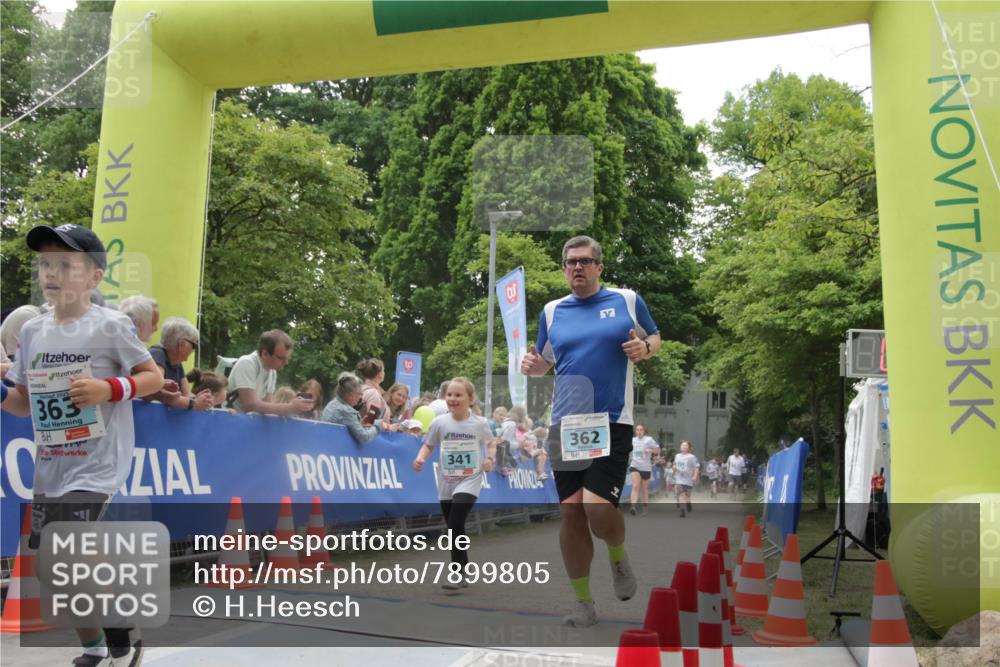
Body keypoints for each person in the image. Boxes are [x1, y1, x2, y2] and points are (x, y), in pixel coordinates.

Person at [0, 223, 162, 666]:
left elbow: (153, 378)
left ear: (94, 276)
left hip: (97, 461)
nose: (51, 273)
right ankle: (95, 646)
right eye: (44, 264)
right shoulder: (32, 332)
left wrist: (108, 389)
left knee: (67, 547)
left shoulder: (110, 325)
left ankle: (124, 639)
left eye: (65, 264)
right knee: (52, 568)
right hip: (52, 465)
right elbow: (22, 405)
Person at [520, 235, 661, 627]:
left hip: (611, 421)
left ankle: (617, 553)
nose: (577, 267)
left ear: (599, 266)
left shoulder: (626, 300)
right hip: (565, 424)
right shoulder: (551, 311)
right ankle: (583, 603)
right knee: (572, 514)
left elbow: (654, 336)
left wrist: (645, 349)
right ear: (564, 269)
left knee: (597, 508)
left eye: (584, 261)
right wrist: (533, 367)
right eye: (571, 262)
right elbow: (544, 362)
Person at [412, 377, 497, 592]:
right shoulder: (440, 422)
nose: (452, 398)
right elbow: (429, 445)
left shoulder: (480, 423)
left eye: (458, 395)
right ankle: (463, 569)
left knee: (456, 521)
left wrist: (490, 459)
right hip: (446, 481)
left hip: (470, 479)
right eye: (449, 394)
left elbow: (491, 443)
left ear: (470, 399)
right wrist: (420, 458)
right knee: (453, 527)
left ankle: (458, 572)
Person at [227, 329, 312, 416]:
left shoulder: (272, 371)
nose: (286, 363)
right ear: (265, 354)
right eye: (281, 358)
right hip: (229, 420)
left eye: (287, 358)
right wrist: (289, 407)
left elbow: (268, 407)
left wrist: (295, 408)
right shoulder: (247, 363)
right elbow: (249, 405)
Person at [146, 317, 214, 411]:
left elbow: (186, 394)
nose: (193, 350)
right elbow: (158, 392)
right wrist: (193, 403)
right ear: (181, 345)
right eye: (194, 345)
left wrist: (201, 399)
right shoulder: (157, 354)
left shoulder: (176, 362)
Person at [321, 372, 381, 444]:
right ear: (350, 394)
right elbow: (364, 437)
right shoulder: (346, 411)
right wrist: (377, 426)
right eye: (359, 394)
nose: (361, 397)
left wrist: (359, 423)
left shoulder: (332, 404)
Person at [627, 424, 659, 516]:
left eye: (641, 429)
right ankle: (633, 507)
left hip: (645, 467)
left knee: (644, 488)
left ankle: (645, 506)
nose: (639, 431)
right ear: (635, 431)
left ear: (644, 431)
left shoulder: (649, 440)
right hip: (635, 466)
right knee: (635, 486)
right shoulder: (632, 440)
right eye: (637, 430)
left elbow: (658, 450)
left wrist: (651, 450)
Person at [356, 358, 390, 428]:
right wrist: (390, 427)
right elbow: (371, 421)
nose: (384, 373)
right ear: (379, 374)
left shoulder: (360, 389)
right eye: (383, 370)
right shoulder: (373, 394)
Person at [673, 440, 700, 518]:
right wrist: (673, 470)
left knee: (687, 496)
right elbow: (674, 465)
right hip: (679, 478)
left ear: (689, 448)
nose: (683, 447)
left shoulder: (692, 457)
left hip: (688, 479)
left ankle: (688, 503)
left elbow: (696, 467)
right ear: (680, 447)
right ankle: (682, 510)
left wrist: (695, 476)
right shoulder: (677, 456)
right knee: (681, 494)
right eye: (682, 445)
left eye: (685, 446)